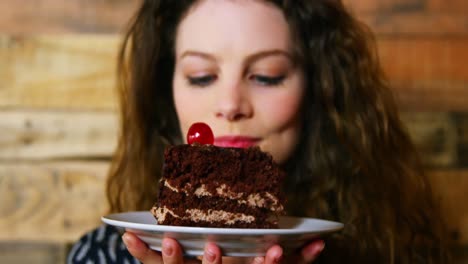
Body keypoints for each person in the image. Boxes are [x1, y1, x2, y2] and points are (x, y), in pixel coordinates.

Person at [68, 0, 451, 263]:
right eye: (201, 77)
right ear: (166, 90)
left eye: (267, 76)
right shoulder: (101, 255)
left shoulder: (385, 249)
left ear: (317, 88)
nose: (232, 104)